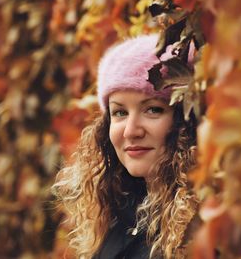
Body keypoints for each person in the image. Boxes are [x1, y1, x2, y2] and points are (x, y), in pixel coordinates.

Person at [52, 34, 199, 259]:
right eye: (120, 112)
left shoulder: (201, 228)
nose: (131, 131)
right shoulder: (116, 214)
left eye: (153, 109)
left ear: (185, 121)